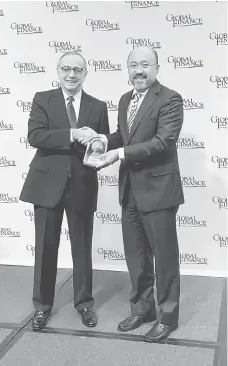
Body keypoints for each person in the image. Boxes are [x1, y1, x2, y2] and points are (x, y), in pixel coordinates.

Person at [78, 46, 184, 342]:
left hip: (159, 191)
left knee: (164, 258)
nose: (139, 70)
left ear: (157, 68)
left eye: (145, 65)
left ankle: (167, 316)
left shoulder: (171, 99)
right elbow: (123, 137)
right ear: (128, 70)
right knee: (136, 257)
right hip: (130, 191)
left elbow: (162, 142)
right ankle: (142, 308)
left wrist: (119, 153)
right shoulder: (126, 99)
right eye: (134, 65)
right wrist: (100, 140)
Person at [20, 51, 109, 331]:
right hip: (47, 186)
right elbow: (35, 136)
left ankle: (84, 304)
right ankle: (42, 306)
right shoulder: (42, 99)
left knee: (82, 248)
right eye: (67, 69)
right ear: (58, 71)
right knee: (46, 248)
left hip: (82, 185)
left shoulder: (98, 106)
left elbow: (102, 144)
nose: (72, 75)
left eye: (78, 70)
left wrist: (100, 153)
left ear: (86, 74)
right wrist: (72, 133)